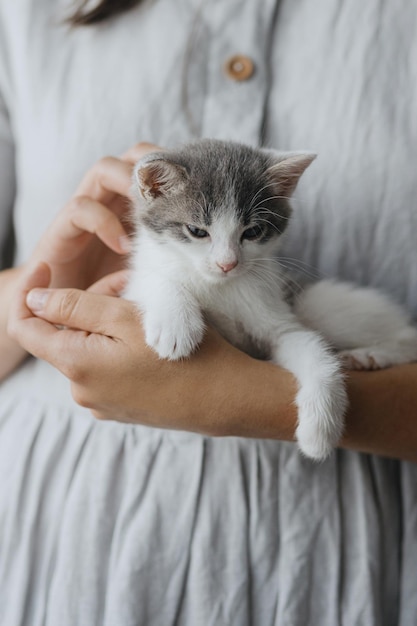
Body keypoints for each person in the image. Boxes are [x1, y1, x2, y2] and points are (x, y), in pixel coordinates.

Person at [1, 0, 417, 624]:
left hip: (332, 526)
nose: (226, 261)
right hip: (74, 521)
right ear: (154, 191)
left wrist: (257, 399)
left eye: (246, 236)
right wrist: (36, 298)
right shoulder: (25, 15)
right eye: (201, 236)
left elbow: (285, 333)